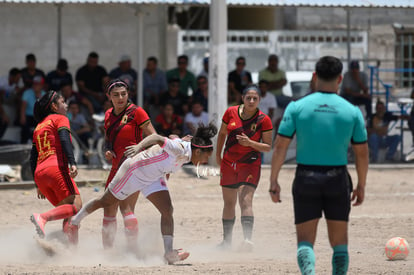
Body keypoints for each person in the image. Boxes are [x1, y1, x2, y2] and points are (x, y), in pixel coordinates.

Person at [269, 56, 369, 275]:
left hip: (306, 177)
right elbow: (362, 153)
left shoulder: (296, 107)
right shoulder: (352, 112)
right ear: (340, 79)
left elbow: (279, 147)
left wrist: (273, 180)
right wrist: (361, 184)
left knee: (305, 243)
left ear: (314, 77)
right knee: (339, 243)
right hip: (338, 178)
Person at [69, 123, 218, 264]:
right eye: (206, 157)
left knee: (167, 210)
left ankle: (169, 253)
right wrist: (138, 147)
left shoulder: (187, 150)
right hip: (134, 171)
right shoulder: (179, 148)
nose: (206, 160)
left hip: (152, 177)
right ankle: (74, 222)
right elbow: (157, 138)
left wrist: (179, 141)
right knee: (105, 201)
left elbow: (172, 136)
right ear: (198, 151)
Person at [101, 79, 156, 251]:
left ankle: (132, 251)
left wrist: (143, 153)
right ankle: (107, 252)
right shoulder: (108, 114)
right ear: (108, 96)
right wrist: (108, 150)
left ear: (128, 94)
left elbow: (155, 138)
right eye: (116, 95)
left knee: (126, 208)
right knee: (108, 208)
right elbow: (108, 139)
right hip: (116, 167)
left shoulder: (137, 112)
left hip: (134, 167)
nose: (120, 98)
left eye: (123, 94)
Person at [216, 85, 273, 250]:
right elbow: (222, 134)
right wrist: (218, 156)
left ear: (259, 100)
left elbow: (268, 147)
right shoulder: (230, 112)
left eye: (255, 98)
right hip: (229, 162)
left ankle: (247, 240)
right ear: (242, 98)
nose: (251, 101)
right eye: (248, 98)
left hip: (250, 163)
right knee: (229, 202)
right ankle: (226, 242)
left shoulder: (264, 119)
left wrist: (250, 143)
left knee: (245, 200)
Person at [29, 91, 82, 245]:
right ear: (54, 106)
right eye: (63, 102)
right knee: (75, 205)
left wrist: (37, 184)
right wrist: (72, 162)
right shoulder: (61, 118)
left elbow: (33, 157)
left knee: (68, 211)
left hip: (40, 173)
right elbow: (65, 139)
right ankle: (42, 218)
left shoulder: (39, 126)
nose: (66, 105)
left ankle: (70, 249)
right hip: (56, 169)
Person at [20, 76, 46, 144]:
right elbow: (23, 106)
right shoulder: (27, 92)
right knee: (24, 125)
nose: (35, 86)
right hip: (28, 115)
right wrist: (22, 116)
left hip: (38, 116)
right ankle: (25, 142)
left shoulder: (44, 94)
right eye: (34, 84)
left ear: (41, 85)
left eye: (37, 84)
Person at [0, 68, 23, 134]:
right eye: (17, 78)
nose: (19, 79)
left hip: (10, 99)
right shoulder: (2, 82)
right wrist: (4, 115)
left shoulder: (18, 82)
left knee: (21, 99)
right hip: (2, 99)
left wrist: (19, 90)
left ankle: (17, 119)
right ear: (12, 77)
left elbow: (19, 91)